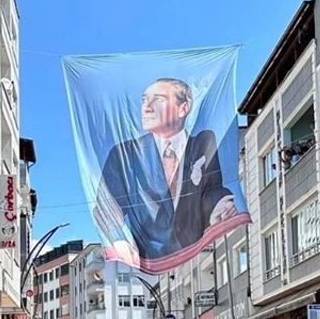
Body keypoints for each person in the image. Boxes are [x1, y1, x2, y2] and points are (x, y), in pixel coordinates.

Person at [95, 78, 238, 263]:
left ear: (183, 108)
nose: (147, 107)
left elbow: (211, 190)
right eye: (145, 100)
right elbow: (106, 205)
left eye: (159, 100)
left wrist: (220, 205)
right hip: (149, 257)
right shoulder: (124, 154)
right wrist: (118, 239)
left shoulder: (203, 144)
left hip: (195, 252)